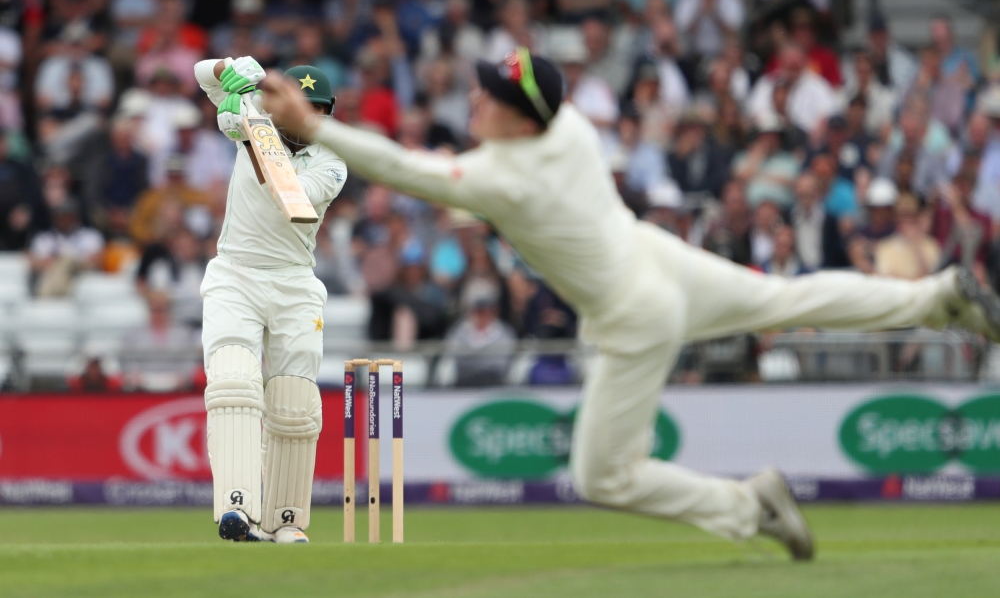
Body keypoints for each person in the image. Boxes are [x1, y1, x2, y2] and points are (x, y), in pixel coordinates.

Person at [263, 48, 1000, 560]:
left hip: (634, 309)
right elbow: (434, 158)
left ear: (523, 120)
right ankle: (938, 296)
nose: (476, 99)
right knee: (791, 293)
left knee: (601, 478)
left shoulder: (502, 179)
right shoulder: (570, 125)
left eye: (493, 95)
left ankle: (749, 507)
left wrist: (314, 123)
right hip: (656, 258)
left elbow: (404, 167)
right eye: (484, 84)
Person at [195, 57, 347, 544]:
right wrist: (233, 72)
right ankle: (236, 509)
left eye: (314, 110)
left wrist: (251, 126)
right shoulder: (256, 111)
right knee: (234, 383)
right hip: (234, 274)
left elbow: (292, 199)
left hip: (294, 285)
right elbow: (203, 75)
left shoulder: (332, 159)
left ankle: (285, 521)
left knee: (294, 407)